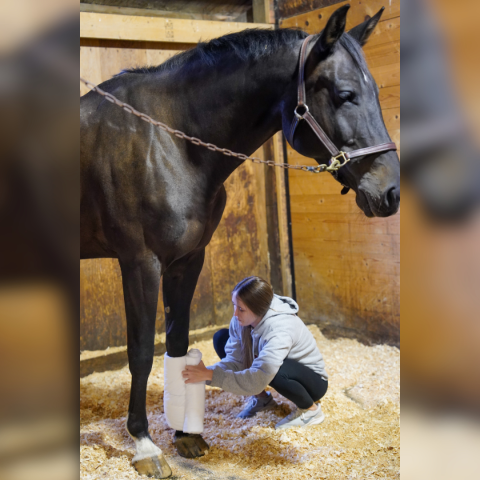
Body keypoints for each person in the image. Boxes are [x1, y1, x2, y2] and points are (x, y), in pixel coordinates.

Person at [182, 276, 328, 430]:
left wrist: (210, 376)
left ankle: (311, 411)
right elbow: (235, 361)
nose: (235, 314)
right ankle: (262, 400)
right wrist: (205, 373)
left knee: (273, 369)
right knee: (221, 338)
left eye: (241, 309)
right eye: (234, 306)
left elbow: (258, 378)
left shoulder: (279, 330)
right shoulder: (241, 321)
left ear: (258, 309)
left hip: (313, 383)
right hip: (278, 367)